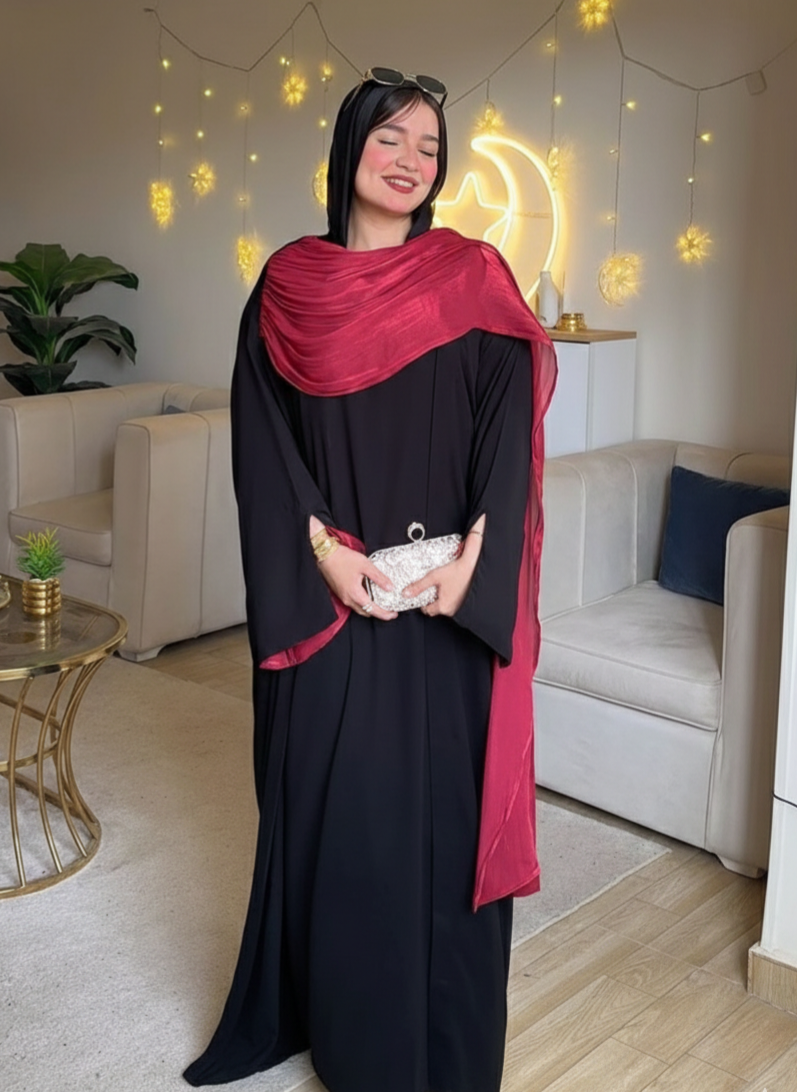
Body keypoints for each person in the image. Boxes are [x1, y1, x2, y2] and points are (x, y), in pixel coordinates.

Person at [184, 68, 556, 1092]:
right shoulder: (287, 286)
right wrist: (325, 555)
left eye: (428, 147)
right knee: (336, 825)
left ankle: (443, 1050)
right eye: (390, 138)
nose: (409, 161)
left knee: (438, 834)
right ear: (348, 147)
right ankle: (348, 1036)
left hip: (444, 608)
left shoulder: (471, 274)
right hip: (334, 601)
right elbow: (263, 444)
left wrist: (474, 566)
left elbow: (507, 434)